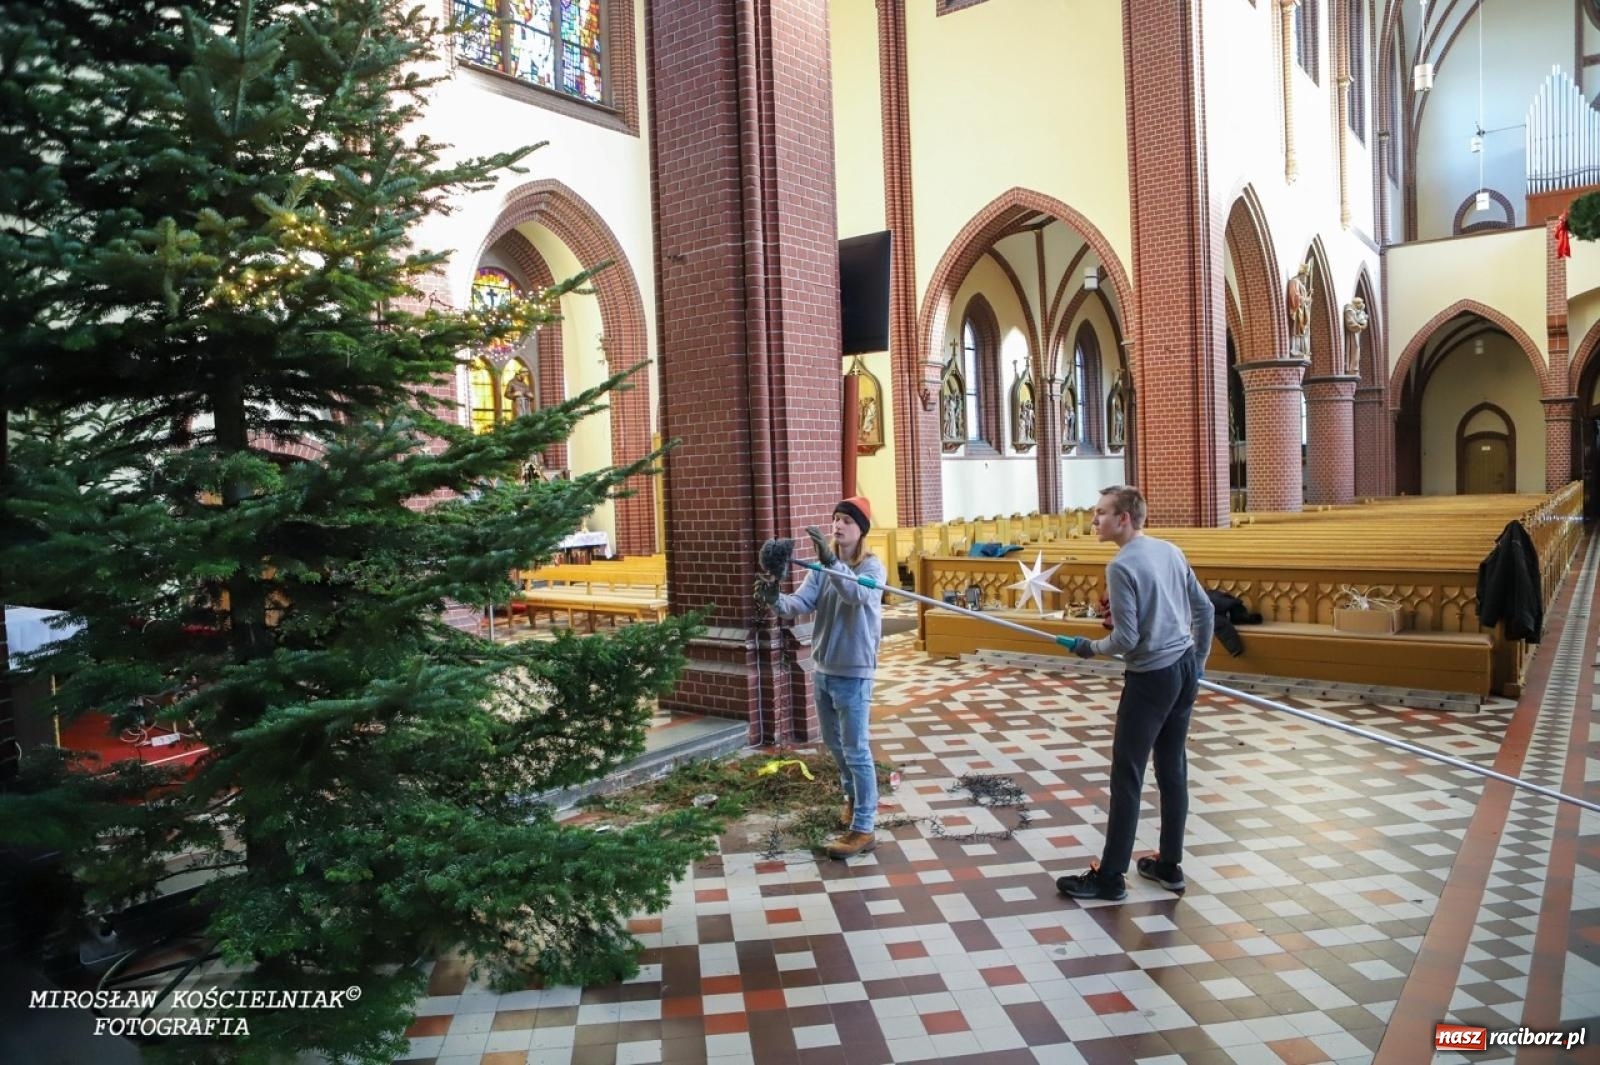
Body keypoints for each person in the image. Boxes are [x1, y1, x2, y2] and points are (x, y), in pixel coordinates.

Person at [1055, 485, 1214, 901]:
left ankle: (1110, 878)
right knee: (1172, 768)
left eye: (1101, 513)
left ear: (1124, 518)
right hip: (1182, 670)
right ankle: (1169, 866)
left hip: (1151, 678)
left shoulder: (1122, 565)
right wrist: (1197, 664)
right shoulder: (1168, 550)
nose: (1095, 521)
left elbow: (1126, 638)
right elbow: (1206, 611)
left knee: (1127, 775)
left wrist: (1090, 648)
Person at [754, 496, 887, 859]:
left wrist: (832, 564)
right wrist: (774, 598)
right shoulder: (819, 569)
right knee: (835, 745)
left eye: (846, 520)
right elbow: (799, 604)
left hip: (854, 672)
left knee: (857, 750)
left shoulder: (873, 568)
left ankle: (864, 827)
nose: (838, 525)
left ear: (861, 529)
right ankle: (852, 798)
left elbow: (855, 595)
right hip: (824, 670)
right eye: (836, 519)